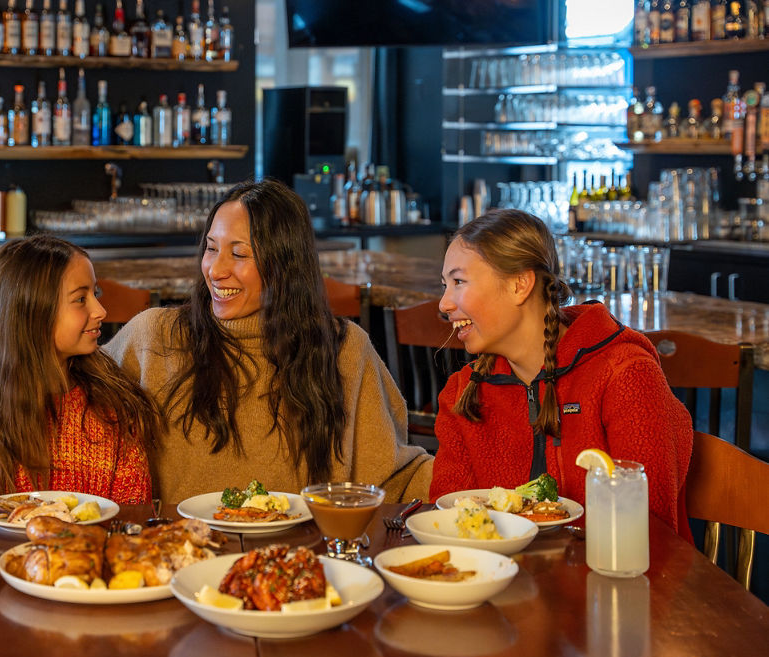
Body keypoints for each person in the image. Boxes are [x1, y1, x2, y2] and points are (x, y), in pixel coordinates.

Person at [103, 178, 433, 503]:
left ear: (284, 264)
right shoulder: (153, 336)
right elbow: (72, 396)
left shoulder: (343, 349)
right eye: (212, 248)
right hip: (182, 549)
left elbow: (395, 478)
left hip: (301, 553)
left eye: (239, 254)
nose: (216, 269)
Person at [429, 209, 693, 539]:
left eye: (459, 282)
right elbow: (448, 522)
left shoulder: (625, 374)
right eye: (445, 285)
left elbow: (648, 529)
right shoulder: (462, 391)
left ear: (519, 284)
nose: (444, 303)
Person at [0, 236, 162, 505]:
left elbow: (131, 518)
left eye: (95, 294)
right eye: (81, 299)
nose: (101, 310)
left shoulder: (114, 409)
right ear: (31, 313)